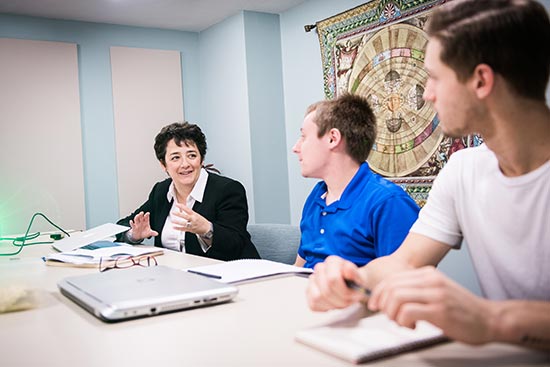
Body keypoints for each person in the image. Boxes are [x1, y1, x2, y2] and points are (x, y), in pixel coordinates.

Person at [306, 0, 550, 350]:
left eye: (434, 77)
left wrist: (491, 319)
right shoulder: (463, 169)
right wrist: (354, 279)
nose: (427, 93)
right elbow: (403, 261)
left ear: (481, 80)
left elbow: (489, 320)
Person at [292, 94, 420, 269]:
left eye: (304, 137)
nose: (296, 148)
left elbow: (404, 283)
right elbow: (300, 265)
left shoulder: (388, 203)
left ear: (333, 138)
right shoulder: (317, 195)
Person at [117, 122, 260, 261]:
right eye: (175, 158)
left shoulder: (228, 190)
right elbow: (122, 226)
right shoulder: (161, 191)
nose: (185, 164)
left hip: (232, 274)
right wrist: (133, 235)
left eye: (192, 155)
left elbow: (236, 244)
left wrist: (207, 229)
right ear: (163, 164)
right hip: (177, 277)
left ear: (201, 159)